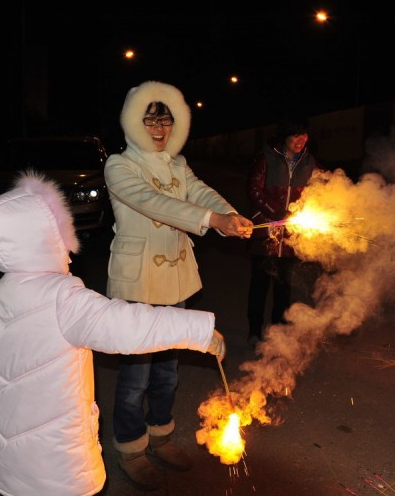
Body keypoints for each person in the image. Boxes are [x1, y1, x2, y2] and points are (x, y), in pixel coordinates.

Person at [0, 170, 227, 496]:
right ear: (45, 238)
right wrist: (200, 332)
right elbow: (128, 326)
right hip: (60, 467)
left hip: (13, 464)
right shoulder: (61, 296)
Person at [103, 80, 252, 490]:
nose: (158, 129)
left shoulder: (177, 163)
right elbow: (154, 203)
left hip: (177, 281)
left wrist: (230, 215)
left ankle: (161, 437)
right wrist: (211, 222)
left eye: (165, 121)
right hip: (138, 284)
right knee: (136, 378)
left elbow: (200, 193)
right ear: (134, 123)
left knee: (168, 371)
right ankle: (131, 448)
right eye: (150, 120)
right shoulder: (119, 166)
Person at [246, 116, 320, 347]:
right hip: (265, 234)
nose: (301, 140)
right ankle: (255, 333)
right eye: (296, 135)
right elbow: (254, 191)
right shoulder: (266, 158)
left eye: (304, 135)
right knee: (259, 285)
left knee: (284, 288)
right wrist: (279, 214)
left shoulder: (309, 162)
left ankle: (277, 334)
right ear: (285, 136)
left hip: (292, 237)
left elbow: (317, 192)